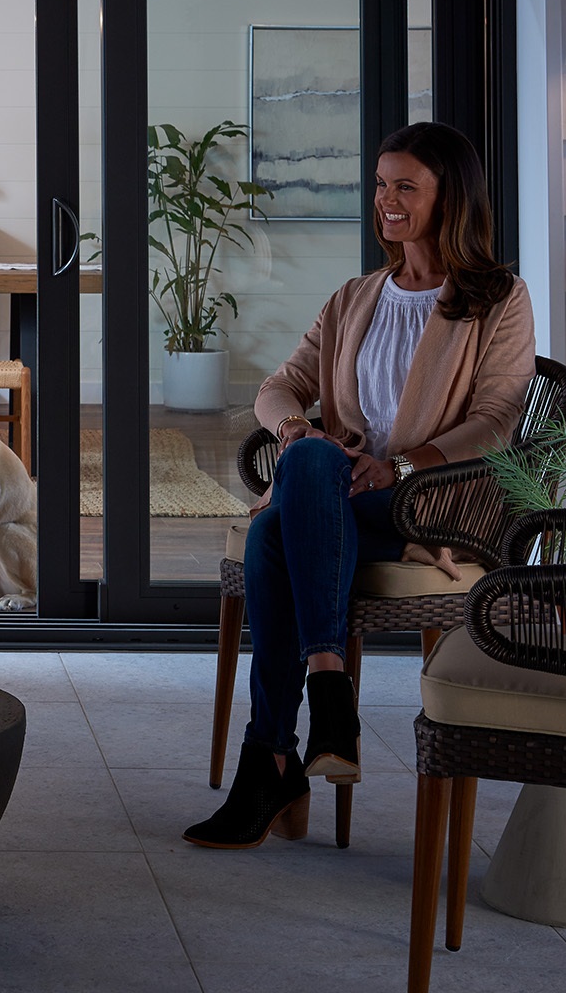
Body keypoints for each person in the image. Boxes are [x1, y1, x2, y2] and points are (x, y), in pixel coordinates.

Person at [183, 121, 534, 850]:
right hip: (335, 497)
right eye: (381, 184)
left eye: (407, 186)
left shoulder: (498, 299)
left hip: (426, 505)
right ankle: (322, 697)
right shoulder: (356, 296)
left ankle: (273, 758)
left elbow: (499, 419)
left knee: (278, 526)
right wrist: (292, 430)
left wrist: (402, 464)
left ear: (451, 198)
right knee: (306, 465)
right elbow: (281, 386)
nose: (387, 200)